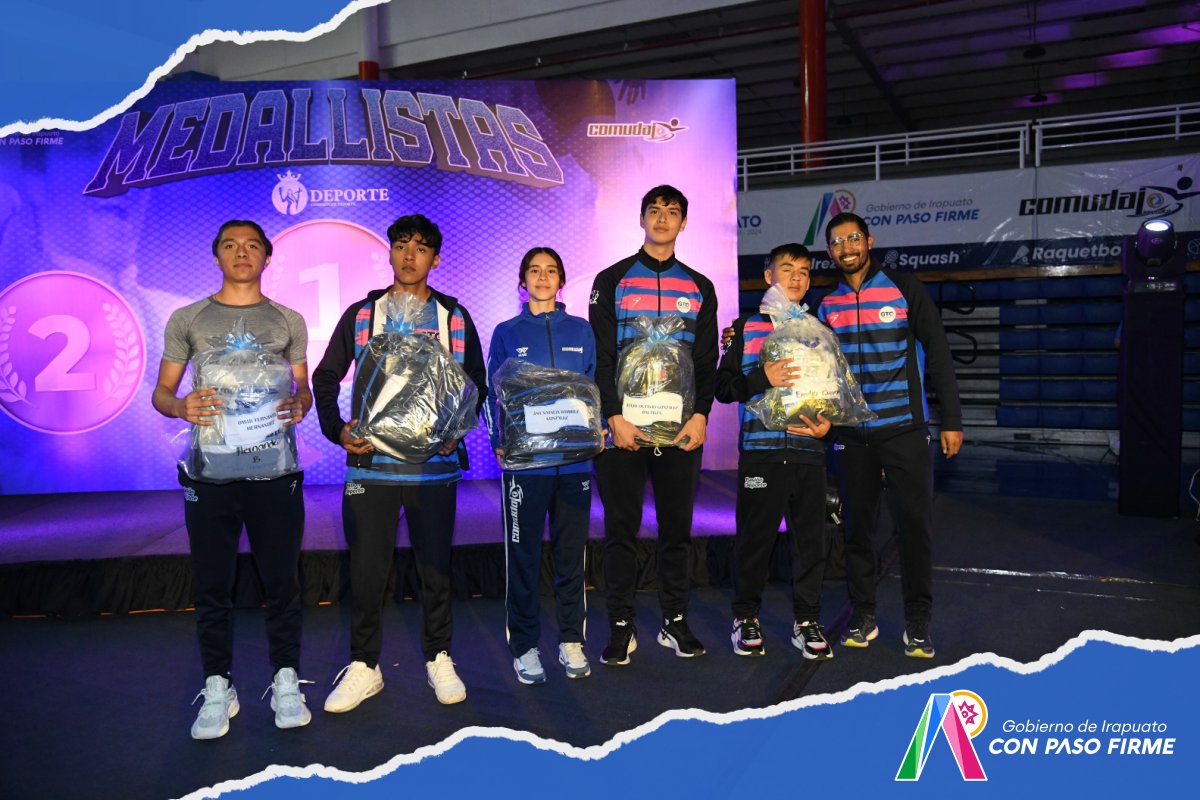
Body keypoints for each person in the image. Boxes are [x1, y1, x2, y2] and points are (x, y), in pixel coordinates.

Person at [312, 214, 487, 708]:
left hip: (434, 469)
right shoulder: (363, 315)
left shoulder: (453, 317)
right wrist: (337, 429)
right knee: (367, 573)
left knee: (436, 569)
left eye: (421, 248)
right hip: (372, 468)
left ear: (436, 258)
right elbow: (325, 377)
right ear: (389, 253)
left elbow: (476, 383)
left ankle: (439, 656)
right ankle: (365, 665)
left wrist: (456, 430)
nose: (410, 255)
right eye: (402, 245)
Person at [151, 220, 312, 739]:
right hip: (210, 476)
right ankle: (218, 684)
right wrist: (181, 406)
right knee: (212, 585)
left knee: (282, 582)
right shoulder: (188, 318)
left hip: (275, 473)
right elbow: (161, 393)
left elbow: (303, 389)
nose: (241, 253)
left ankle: (286, 678)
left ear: (267, 257)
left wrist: (301, 404)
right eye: (230, 245)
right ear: (217, 256)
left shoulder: (288, 320)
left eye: (252, 246)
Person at [816, 212, 963, 659]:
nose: (847, 248)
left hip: (904, 430)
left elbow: (937, 350)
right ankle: (864, 615)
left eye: (853, 239)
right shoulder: (827, 306)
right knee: (857, 531)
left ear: (869, 241)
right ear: (830, 252)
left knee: (914, 528)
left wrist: (952, 419)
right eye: (837, 242)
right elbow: (821, 373)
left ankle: (918, 622)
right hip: (851, 436)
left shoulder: (904, 288)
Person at [589, 184, 718, 664]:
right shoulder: (612, 279)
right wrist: (613, 416)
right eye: (655, 210)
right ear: (641, 219)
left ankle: (674, 620)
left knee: (676, 530)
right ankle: (621, 625)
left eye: (673, 212)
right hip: (623, 430)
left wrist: (701, 415)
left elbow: (706, 359)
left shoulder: (700, 286)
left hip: (681, 431)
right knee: (620, 530)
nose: (663, 218)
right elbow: (601, 357)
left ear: (684, 223)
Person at [715, 243, 834, 659]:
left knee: (811, 543)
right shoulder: (745, 328)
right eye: (788, 269)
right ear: (769, 276)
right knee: (755, 540)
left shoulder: (820, 331)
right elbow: (723, 389)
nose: (797, 278)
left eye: (804, 271)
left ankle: (807, 621)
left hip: (808, 453)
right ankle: (745, 616)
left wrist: (830, 425)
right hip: (761, 456)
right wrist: (761, 377)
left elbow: (835, 394)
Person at [485, 247, 597, 684]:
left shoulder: (581, 330)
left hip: (574, 466)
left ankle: (571, 639)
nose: (543, 277)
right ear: (523, 281)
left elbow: (593, 389)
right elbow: (493, 391)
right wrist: (498, 441)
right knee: (523, 558)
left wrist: (597, 432)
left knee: (571, 556)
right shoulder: (507, 332)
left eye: (551, 271)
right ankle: (525, 646)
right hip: (525, 467)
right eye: (534, 270)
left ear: (561, 281)